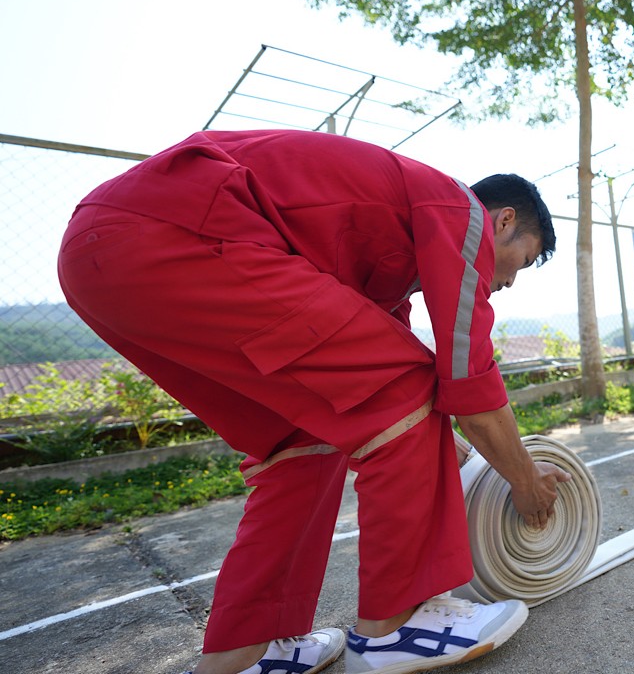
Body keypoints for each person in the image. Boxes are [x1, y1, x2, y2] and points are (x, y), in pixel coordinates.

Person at [57, 129, 571, 674]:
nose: (511, 281)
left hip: (103, 257)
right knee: (406, 384)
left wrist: (464, 458)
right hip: (182, 231)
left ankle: (242, 655)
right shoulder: (455, 208)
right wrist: (522, 478)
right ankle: (397, 624)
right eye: (523, 259)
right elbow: (463, 378)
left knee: (309, 435)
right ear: (504, 221)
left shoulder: (388, 267)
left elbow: (391, 400)